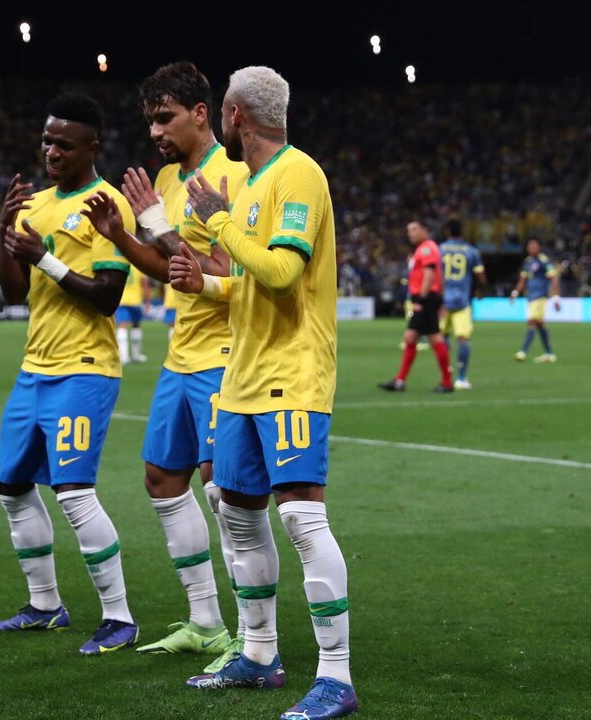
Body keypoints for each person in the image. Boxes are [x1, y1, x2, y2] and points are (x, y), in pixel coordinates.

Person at [168, 65, 358, 720]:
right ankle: (259, 654)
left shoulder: (297, 174)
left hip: (294, 372)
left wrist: (219, 227)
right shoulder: (249, 187)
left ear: (232, 114)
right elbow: (251, 282)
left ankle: (336, 677)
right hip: (243, 376)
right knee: (238, 511)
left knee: (301, 515)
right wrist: (207, 286)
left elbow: (282, 272)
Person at [80, 61, 247, 668]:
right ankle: (204, 622)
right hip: (182, 355)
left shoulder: (232, 174)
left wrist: (156, 225)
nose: (155, 131)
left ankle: (252, 637)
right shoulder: (167, 179)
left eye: (165, 117)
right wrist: (123, 236)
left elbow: (232, 273)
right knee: (161, 478)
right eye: (150, 119)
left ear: (201, 114)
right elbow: (168, 268)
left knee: (224, 492)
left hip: (226, 353)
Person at [0, 92, 141, 656]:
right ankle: (45, 605)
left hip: (85, 368)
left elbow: (107, 298)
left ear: (91, 148)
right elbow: (13, 293)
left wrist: (44, 258)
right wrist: (4, 232)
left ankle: (120, 618)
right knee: (11, 486)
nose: (51, 151)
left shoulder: (107, 206)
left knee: (74, 492)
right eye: (47, 140)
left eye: (64, 144)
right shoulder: (37, 204)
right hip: (34, 368)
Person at [378, 220, 453, 392]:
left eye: (414, 229)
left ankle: (447, 382)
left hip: (424, 299)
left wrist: (420, 300)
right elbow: (438, 276)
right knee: (411, 338)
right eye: (408, 230)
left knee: (434, 338)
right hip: (428, 298)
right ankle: (400, 381)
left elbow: (429, 275)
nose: (410, 233)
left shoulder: (427, 248)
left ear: (425, 230)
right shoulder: (425, 248)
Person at [439, 221, 487, 389]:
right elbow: (480, 276)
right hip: (462, 300)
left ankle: (446, 374)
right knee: (463, 339)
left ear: (447, 231)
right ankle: (461, 378)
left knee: (442, 336)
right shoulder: (471, 251)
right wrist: (480, 291)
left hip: (442, 301)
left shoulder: (439, 249)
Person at [509, 237, 560, 363]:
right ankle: (549, 354)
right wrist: (515, 292)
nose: (531, 248)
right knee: (540, 324)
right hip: (531, 297)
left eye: (534, 246)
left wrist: (556, 297)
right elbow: (523, 280)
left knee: (532, 321)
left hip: (540, 296)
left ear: (539, 247)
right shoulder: (527, 262)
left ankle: (523, 352)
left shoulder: (544, 261)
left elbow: (553, 278)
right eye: (530, 246)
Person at [116, 265, 151, 364]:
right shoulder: (138, 265)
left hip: (122, 299)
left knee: (122, 326)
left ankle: (124, 356)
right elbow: (145, 285)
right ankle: (136, 355)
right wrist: (148, 302)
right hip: (136, 300)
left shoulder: (121, 265)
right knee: (136, 326)